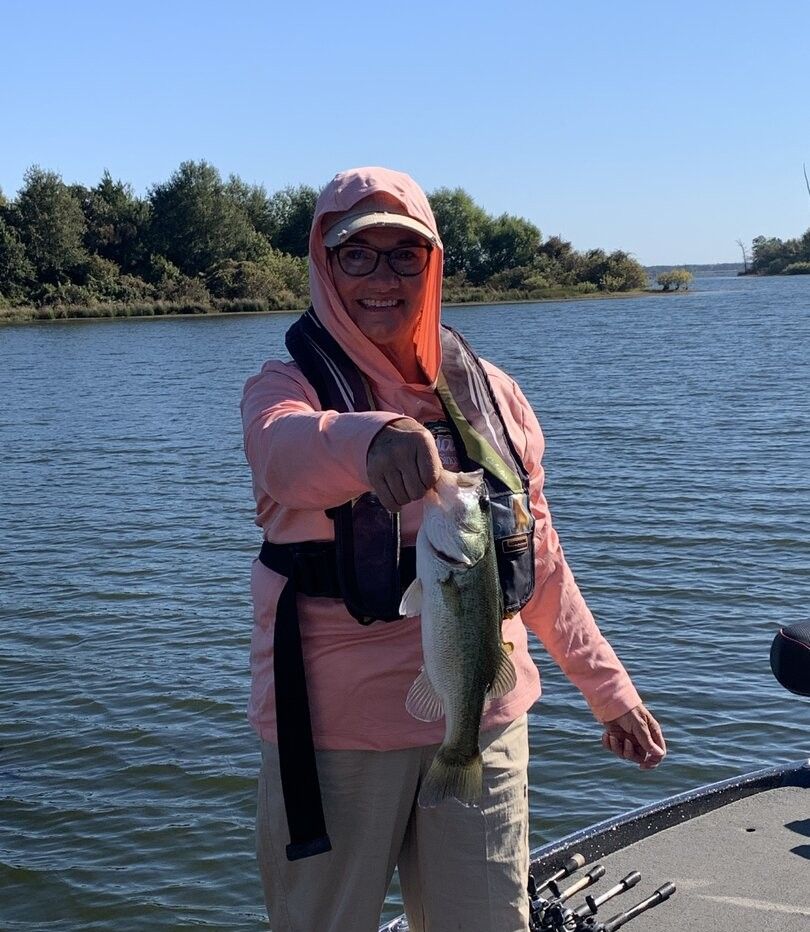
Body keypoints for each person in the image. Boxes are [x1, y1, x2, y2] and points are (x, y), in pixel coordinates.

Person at [241, 166, 666, 932]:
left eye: (405, 254)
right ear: (322, 263)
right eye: (355, 254)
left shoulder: (491, 393)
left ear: (431, 265)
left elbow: (540, 563)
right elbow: (284, 456)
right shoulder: (286, 388)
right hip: (336, 736)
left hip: (483, 717)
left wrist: (610, 690)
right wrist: (369, 443)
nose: (381, 276)